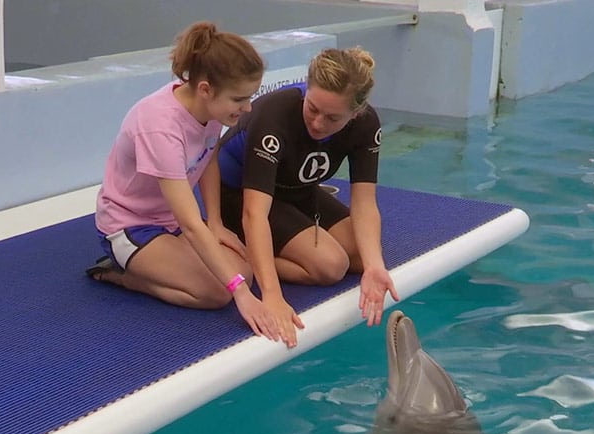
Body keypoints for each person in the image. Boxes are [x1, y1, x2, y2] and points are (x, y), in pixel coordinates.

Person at [87, 22, 283, 343]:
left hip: (169, 223)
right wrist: (241, 296)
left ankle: (162, 266)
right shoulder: (160, 126)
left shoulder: (208, 109)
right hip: (130, 227)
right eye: (239, 99)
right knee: (220, 292)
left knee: (244, 271)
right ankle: (125, 277)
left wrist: (217, 223)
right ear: (205, 88)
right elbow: (191, 223)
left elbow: (208, 160)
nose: (247, 108)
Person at [217, 47, 400, 346]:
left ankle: (272, 253)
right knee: (330, 266)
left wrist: (374, 267)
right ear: (307, 89)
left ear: (355, 113)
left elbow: (365, 204)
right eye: (312, 108)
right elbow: (254, 213)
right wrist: (272, 295)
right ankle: (240, 260)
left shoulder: (365, 124)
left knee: (360, 254)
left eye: (332, 118)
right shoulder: (276, 115)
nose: (318, 124)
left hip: (294, 189)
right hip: (238, 194)